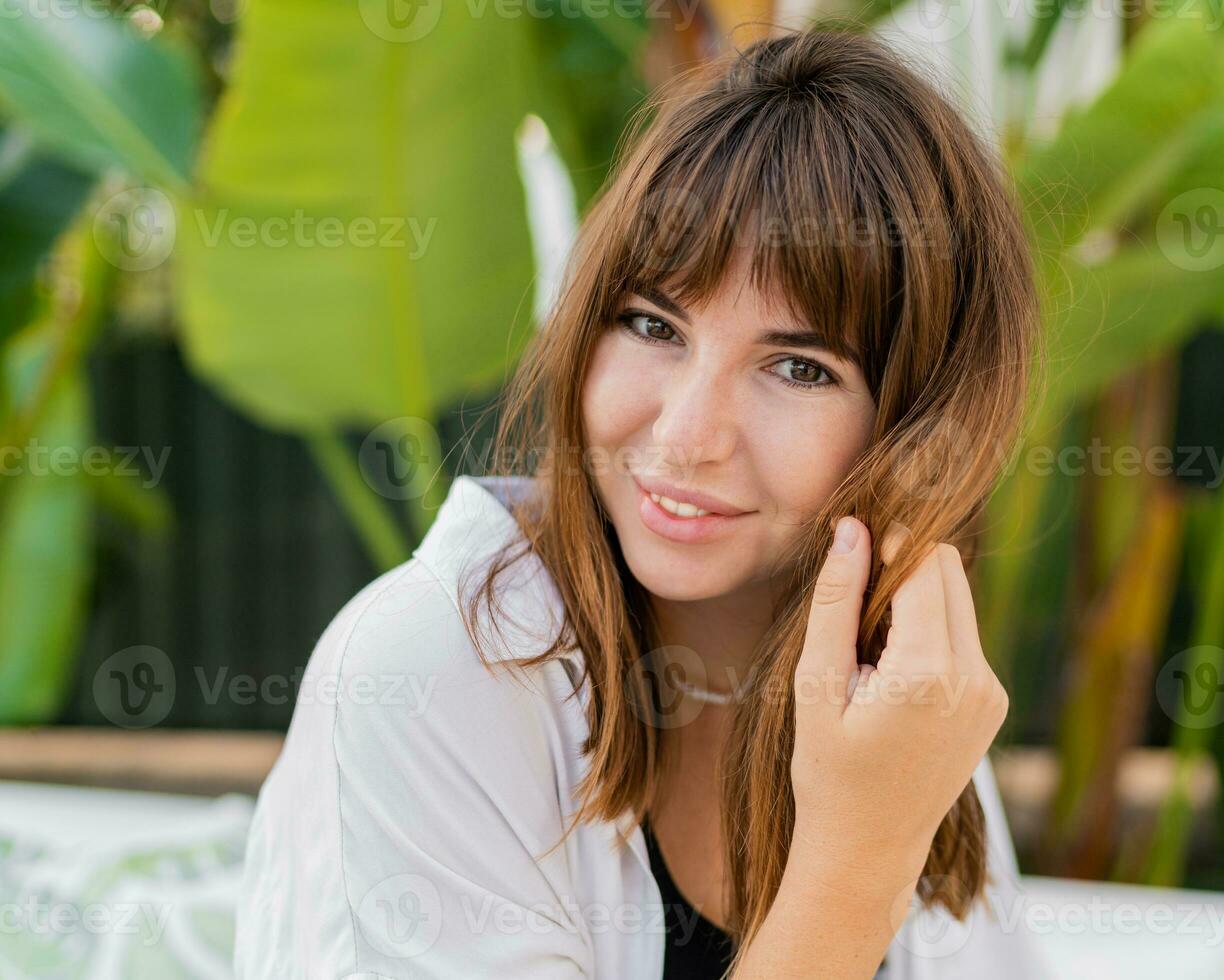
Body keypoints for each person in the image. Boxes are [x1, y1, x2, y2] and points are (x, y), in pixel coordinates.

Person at [236, 25, 1048, 979]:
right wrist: (854, 863)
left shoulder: (903, 695)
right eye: (652, 324)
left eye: (797, 366)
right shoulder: (429, 673)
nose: (686, 433)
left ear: (918, 427)